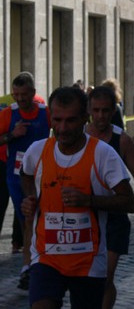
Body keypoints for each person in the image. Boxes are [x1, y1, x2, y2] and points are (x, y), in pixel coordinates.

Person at [20, 86, 134, 309]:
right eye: (57, 120)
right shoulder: (37, 151)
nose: (62, 128)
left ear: (85, 118)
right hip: (46, 257)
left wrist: (89, 200)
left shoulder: (103, 154)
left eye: (71, 121)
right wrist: (31, 198)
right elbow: (25, 175)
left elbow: (130, 203)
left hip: (88, 263)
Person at [85, 86, 134, 309]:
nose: (100, 116)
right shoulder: (78, 135)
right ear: (89, 109)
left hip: (115, 216)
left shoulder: (122, 140)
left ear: (113, 111)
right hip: (85, 215)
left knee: (106, 276)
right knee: (88, 278)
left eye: (105, 111)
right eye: (96, 110)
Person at [0, 72, 51, 290]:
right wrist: (12, 134)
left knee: (40, 218)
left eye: (24, 94)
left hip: (43, 175)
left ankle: (35, 264)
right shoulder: (8, 114)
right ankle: (29, 265)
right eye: (16, 94)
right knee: (26, 219)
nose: (20, 99)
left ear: (33, 93)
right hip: (16, 175)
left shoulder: (45, 112)